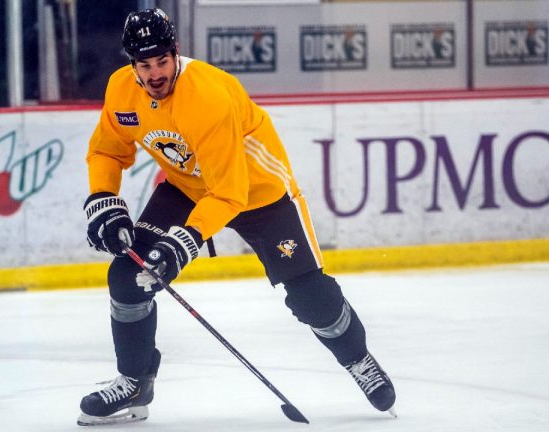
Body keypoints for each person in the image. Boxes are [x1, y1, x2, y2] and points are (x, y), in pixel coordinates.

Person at [78, 8, 396, 426]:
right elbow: (107, 149)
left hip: (259, 191)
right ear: (132, 64)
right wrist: (104, 198)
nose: (155, 73)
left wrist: (185, 241)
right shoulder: (122, 90)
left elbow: (229, 192)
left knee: (310, 297)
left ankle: (358, 359)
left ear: (176, 54)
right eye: (144, 64)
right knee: (126, 277)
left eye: (162, 62)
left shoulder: (208, 97)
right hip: (188, 187)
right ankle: (135, 382)